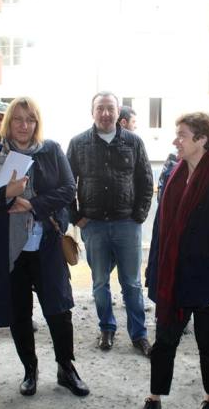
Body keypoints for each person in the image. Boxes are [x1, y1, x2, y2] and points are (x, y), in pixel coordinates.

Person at [0, 96, 89, 397]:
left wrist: (32, 204)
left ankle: (66, 368)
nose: (24, 125)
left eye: (30, 119)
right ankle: (30, 369)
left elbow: (68, 189)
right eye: (18, 119)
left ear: (37, 123)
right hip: (9, 250)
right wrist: (6, 195)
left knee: (59, 310)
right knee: (19, 313)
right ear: (8, 122)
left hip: (46, 245)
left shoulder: (50, 150)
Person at [142, 112, 209, 409]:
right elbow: (160, 227)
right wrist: (154, 268)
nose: (175, 141)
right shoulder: (173, 175)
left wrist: (205, 248)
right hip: (173, 278)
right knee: (165, 340)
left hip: (208, 279)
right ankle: (155, 396)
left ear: (202, 139)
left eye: (182, 135)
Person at [67, 91, 153, 356]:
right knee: (99, 283)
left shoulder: (134, 142)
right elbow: (67, 184)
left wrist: (139, 216)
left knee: (132, 284)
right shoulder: (78, 143)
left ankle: (139, 334)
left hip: (127, 224)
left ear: (118, 112)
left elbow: (146, 181)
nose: (105, 114)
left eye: (110, 109)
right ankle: (107, 328)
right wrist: (76, 217)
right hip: (93, 225)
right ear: (92, 112)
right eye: (100, 108)